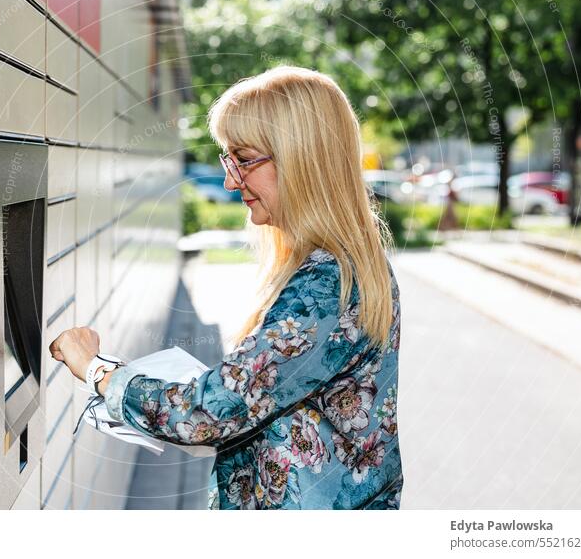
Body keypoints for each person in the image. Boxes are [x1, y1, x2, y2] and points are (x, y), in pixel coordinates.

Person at [50, 66, 403, 510]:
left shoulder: (327, 285)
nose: (231, 181)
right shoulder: (347, 267)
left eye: (245, 159)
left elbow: (212, 413)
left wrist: (99, 372)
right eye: (228, 160)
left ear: (303, 158)